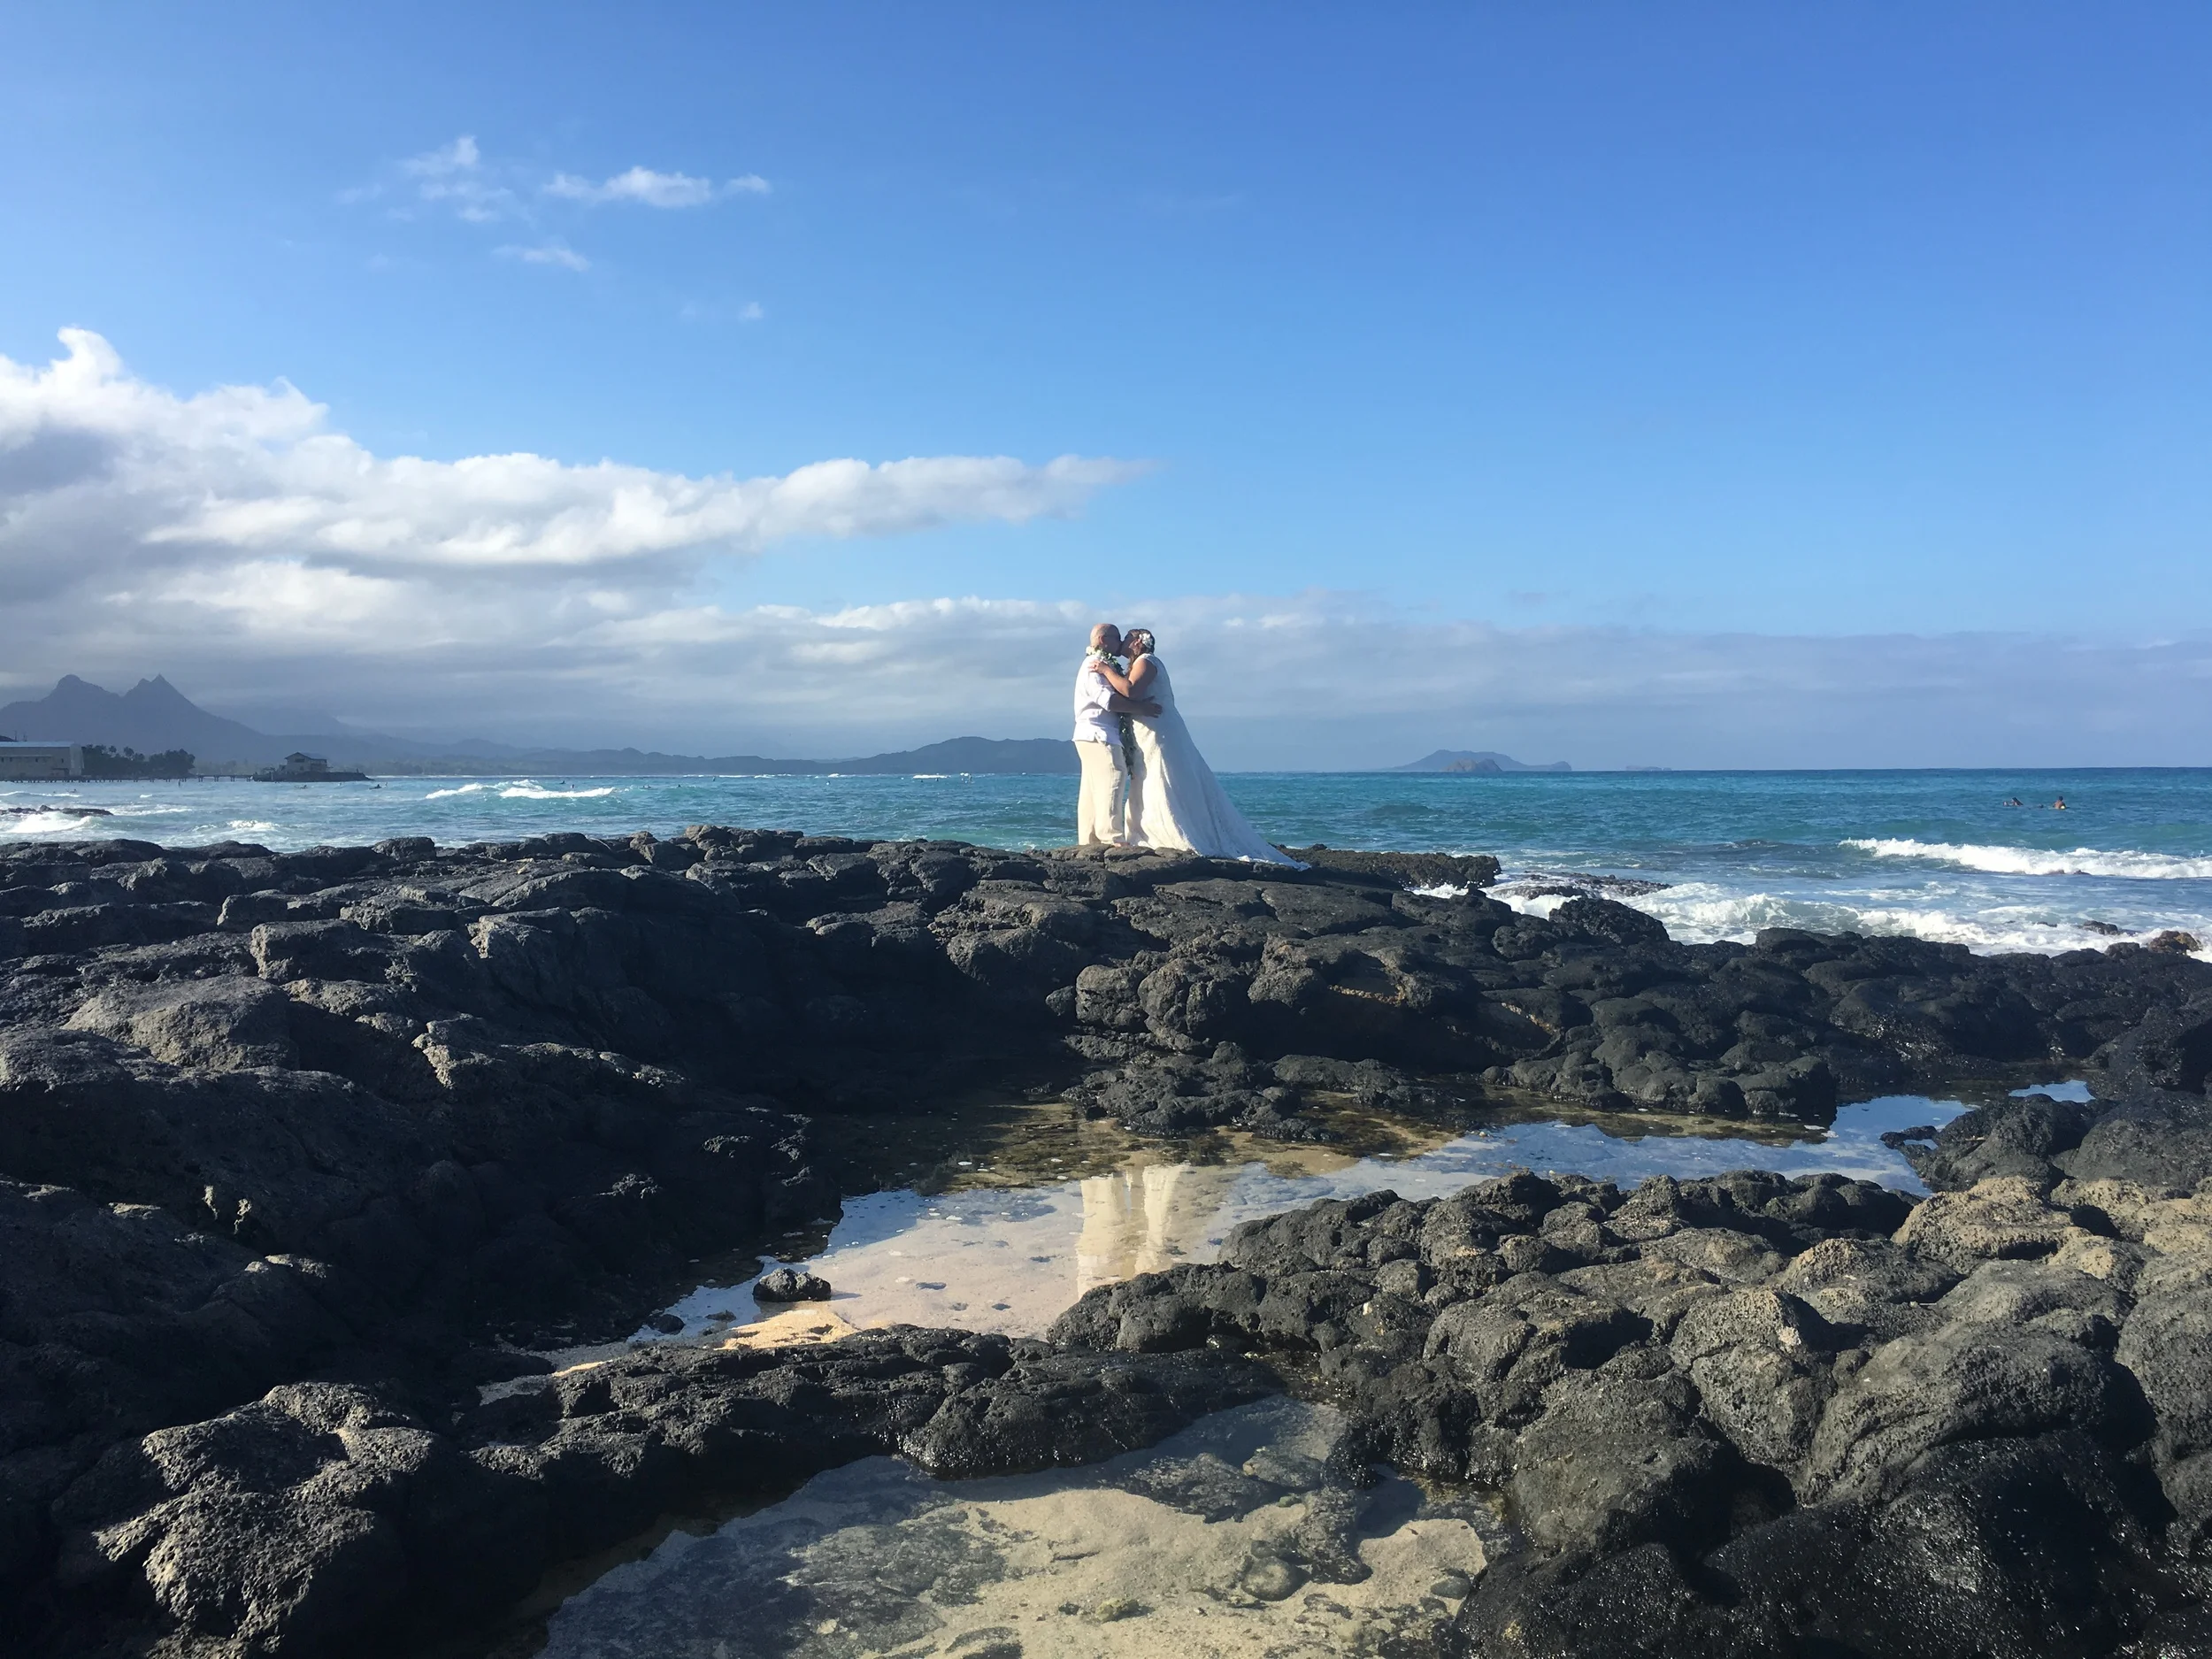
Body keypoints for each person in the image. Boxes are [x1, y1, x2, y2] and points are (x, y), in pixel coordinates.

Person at [1090, 627, 1303, 865]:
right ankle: (1146, 831)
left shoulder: (1146, 661)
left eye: (1127, 638)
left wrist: (1106, 670)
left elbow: (1131, 690)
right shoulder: (1140, 662)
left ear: (1138, 642)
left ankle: (1170, 831)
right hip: (1147, 731)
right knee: (1148, 776)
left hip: (1159, 731)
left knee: (1162, 776)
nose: (1123, 642)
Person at [1071, 623, 1159, 846]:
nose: (1120, 643)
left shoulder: (1100, 663)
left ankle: (1090, 840)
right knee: (1114, 774)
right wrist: (1141, 709)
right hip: (1098, 733)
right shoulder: (1094, 664)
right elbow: (1107, 700)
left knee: (1092, 787)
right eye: (1117, 637)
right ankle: (1112, 837)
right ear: (1103, 640)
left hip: (1091, 732)